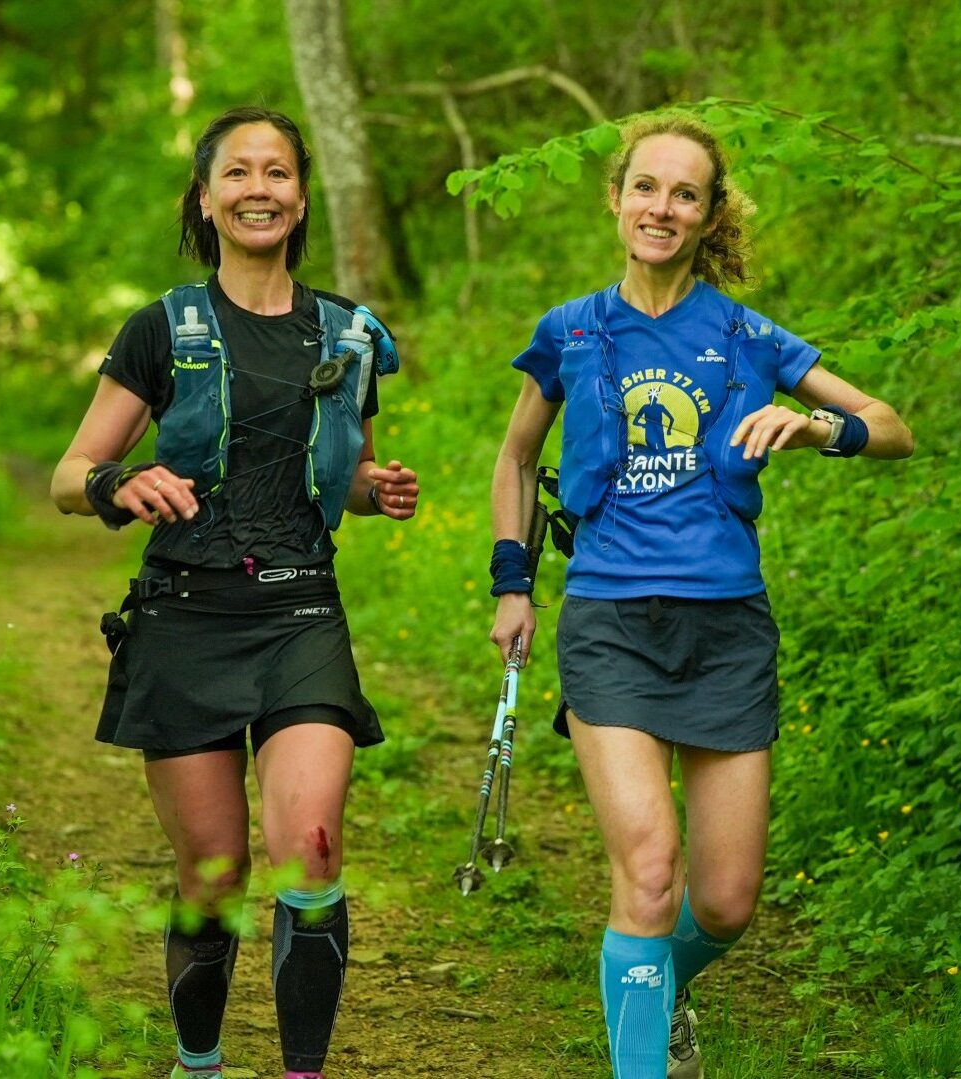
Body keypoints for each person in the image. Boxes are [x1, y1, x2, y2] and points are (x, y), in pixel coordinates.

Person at [488, 115, 912, 1079]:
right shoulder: (573, 329)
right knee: (645, 872)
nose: (661, 208)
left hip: (726, 630)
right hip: (609, 624)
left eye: (685, 193)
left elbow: (889, 427)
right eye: (646, 187)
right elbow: (515, 457)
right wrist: (512, 582)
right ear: (615, 196)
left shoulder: (743, 333)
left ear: (709, 211)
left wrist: (812, 428)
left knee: (723, 902)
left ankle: (658, 989)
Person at [51, 105, 418, 1079]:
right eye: (238, 173)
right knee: (211, 874)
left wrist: (369, 492)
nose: (260, 188)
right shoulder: (161, 328)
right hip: (183, 614)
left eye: (278, 172)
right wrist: (115, 484)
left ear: (301, 198)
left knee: (312, 845)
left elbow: (338, 474)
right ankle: (199, 1061)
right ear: (206, 199)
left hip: (300, 611)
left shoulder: (346, 330)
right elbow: (70, 470)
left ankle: (301, 1071)